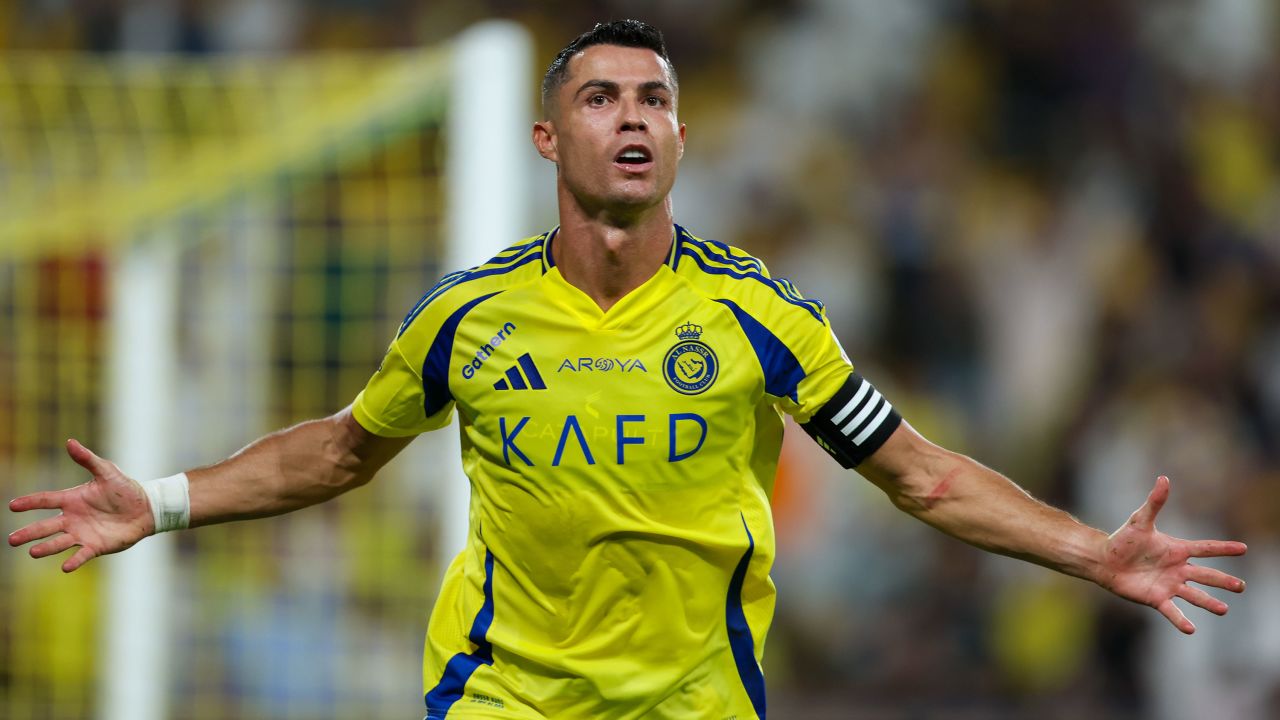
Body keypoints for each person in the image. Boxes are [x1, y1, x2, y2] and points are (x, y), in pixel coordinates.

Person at [8, 19, 1248, 720]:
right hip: (501, 697)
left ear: (681, 137)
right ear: (548, 138)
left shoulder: (760, 318)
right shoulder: (465, 319)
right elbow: (337, 453)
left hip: (691, 706)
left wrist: (1091, 552)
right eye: (601, 98)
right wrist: (161, 501)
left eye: (652, 98)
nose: (633, 116)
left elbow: (919, 476)